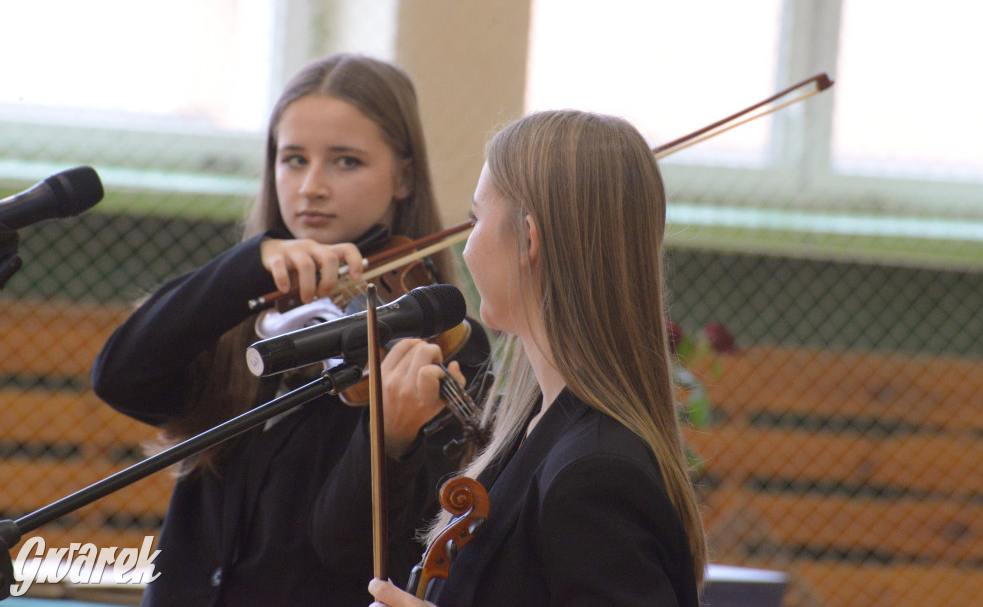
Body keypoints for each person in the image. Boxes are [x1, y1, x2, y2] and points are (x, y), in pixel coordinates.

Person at [91, 54, 490, 606]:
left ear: (403, 176)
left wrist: (391, 435)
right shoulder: (236, 312)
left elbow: (349, 546)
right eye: (293, 159)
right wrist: (249, 265)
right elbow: (120, 377)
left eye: (346, 162)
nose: (311, 187)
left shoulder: (441, 343)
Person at [368, 109, 708, 607]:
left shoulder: (593, 473)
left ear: (529, 238)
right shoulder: (537, 428)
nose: (465, 247)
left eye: (476, 218)